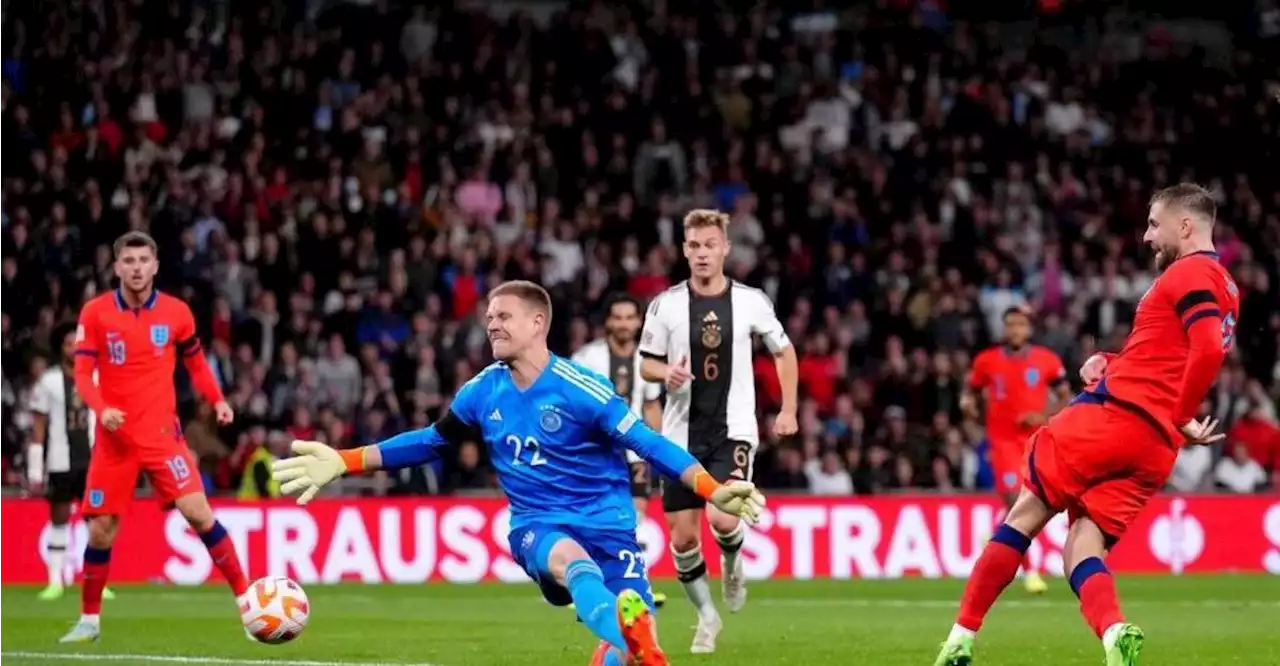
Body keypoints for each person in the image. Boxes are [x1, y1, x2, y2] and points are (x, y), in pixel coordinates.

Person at [273, 280, 766, 666]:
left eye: (503, 316)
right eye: (489, 318)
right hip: (540, 527)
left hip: (611, 526)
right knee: (576, 566)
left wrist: (711, 488)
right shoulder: (481, 391)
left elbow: (649, 443)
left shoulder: (582, 389)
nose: (492, 325)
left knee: (629, 650)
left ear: (537, 322)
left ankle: (621, 643)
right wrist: (345, 459)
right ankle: (626, 632)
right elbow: (430, 442)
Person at [933, 184, 1239, 666]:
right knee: (1083, 543)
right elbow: (1170, 354)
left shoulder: (1190, 273)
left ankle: (961, 638)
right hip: (1154, 448)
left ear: (1186, 226)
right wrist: (1112, 361)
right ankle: (1113, 632)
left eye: (1155, 224)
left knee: (1024, 515)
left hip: (1113, 421)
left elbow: (1206, 349)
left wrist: (1181, 414)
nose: (1146, 236)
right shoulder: (1224, 284)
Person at [59, 231, 248, 644]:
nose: (137, 268)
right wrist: (101, 409)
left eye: (144, 260)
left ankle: (248, 605)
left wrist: (217, 400)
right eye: (129, 261)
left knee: (200, 514)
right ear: (117, 267)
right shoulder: (95, 313)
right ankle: (89, 620)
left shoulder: (177, 313)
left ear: (156, 265)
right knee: (100, 531)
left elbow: (197, 365)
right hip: (115, 440)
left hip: (163, 436)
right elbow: (82, 374)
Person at [637, 209, 798, 653]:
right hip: (678, 436)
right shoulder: (665, 304)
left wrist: (788, 409)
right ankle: (707, 617)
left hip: (734, 430)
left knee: (724, 517)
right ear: (684, 250)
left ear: (725, 248)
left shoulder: (750, 301)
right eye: (694, 246)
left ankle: (732, 560)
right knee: (684, 537)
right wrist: (665, 372)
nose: (702, 253)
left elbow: (783, 352)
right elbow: (645, 362)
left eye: (710, 245)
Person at [960, 306, 1070, 594]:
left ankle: (997, 535)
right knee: (1015, 501)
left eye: (1020, 325)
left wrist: (1043, 415)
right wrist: (967, 404)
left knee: (1035, 504)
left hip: (1035, 442)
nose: (1015, 330)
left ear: (1029, 328)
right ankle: (1030, 572)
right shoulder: (987, 361)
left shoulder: (1046, 361)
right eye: (1010, 325)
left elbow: (1065, 396)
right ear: (1004, 328)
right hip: (1003, 443)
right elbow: (969, 391)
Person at [572, 293, 668, 608]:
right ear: (608, 322)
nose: (625, 324)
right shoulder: (587, 358)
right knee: (595, 517)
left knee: (633, 516)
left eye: (630, 317)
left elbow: (651, 405)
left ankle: (632, 587)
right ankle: (587, 586)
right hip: (595, 452)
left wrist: (657, 447)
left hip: (634, 453)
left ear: (639, 322)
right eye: (619, 317)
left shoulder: (648, 361)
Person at [27, 323, 112, 601]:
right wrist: (35, 469)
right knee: (59, 519)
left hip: (93, 461)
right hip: (60, 461)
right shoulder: (49, 381)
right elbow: (38, 427)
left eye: (77, 343)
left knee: (97, 523)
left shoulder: (97, 378)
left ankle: (97, 582)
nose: (73, 348)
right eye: (68, 344)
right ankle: (55, 581)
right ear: (60, 348)